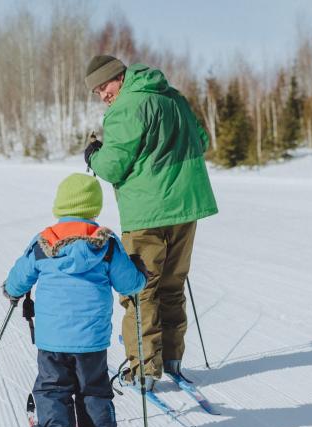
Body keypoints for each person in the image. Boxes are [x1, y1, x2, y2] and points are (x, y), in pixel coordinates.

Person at [83, 55, 218, 390]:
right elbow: (201, 141)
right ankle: (172, 359)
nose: (103, 95)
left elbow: (113, 167)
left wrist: (92, 155)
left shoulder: (127, 107)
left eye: (105, 86)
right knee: (173, 285)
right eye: (97, 91)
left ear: (120, 76)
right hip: (186, 207)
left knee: (140, 290)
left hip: (147, 214)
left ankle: (143, 370)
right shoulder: (173, 98)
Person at [3, 173, 146, 427]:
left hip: (52, 338)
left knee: (53, 387)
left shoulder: (44, 241)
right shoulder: (105, 243)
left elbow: (20, 276)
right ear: (94, 207)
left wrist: (11, 290)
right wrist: (139, 272)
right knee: (93, 387)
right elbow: (129, 284)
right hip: (91, 340)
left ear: (60, 205)